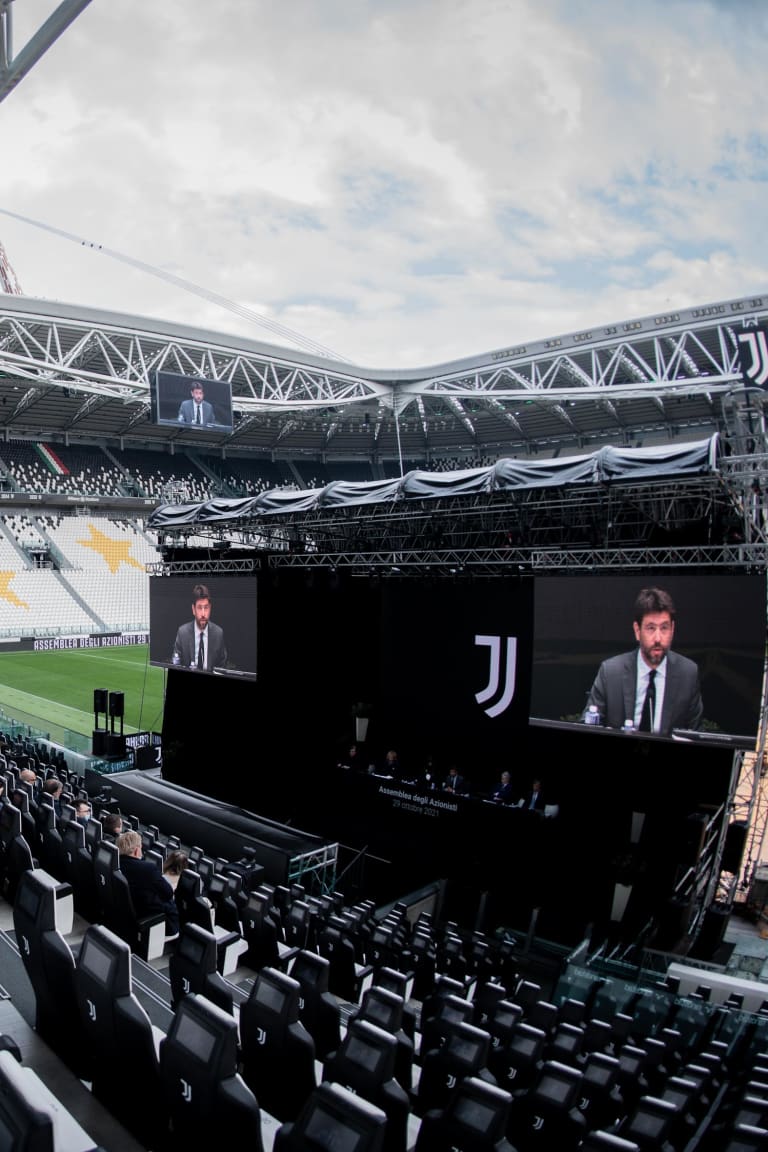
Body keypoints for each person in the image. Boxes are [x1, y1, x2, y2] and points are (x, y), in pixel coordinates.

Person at [583, 586, 704, 737]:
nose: (658, 638)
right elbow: (587, 730)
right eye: (651, 628)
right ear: (637, 630)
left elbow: (696, 735)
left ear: (672, 629)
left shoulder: (688, 674)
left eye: (664, 628)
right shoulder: (611, 672)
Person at [117, 829, 179, 936]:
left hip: (126, 913)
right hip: (151, 918)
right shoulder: (148, 869)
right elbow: (168, 893)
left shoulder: (116, 863)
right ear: (136, 850)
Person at [171, 582, 228, 672]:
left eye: (206, 608)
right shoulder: (182, 633)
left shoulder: (218, 633)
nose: (203, 614)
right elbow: (176, 665)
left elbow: (222, 667)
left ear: (210, 608)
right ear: (193, 609)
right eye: (199, 608)